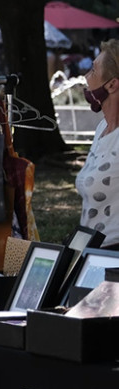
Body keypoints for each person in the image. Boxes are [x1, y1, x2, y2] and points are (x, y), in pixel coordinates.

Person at [75, 39, 119, 249]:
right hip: (88, 248)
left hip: (112, 253)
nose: (86, 76)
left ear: (112, 84)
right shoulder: (102, 128)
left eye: (93, 70)